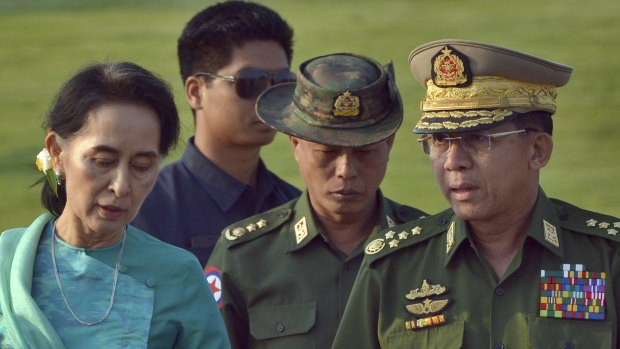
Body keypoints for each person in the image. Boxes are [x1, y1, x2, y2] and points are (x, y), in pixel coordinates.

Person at [332, 39, 620, 348]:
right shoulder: (391, 267)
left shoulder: (607, 258)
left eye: (477, 138)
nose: (454, 162)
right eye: (441, 140)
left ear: (537, 151)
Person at [205, 53, 428, 348]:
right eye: (327, 153)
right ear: (296, 145)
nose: (346, 171)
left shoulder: (429, 249)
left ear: (388, 144)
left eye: (365, 152)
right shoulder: (243, 257)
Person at [0, 62, 230, 348]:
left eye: (142, 166)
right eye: (103, 162)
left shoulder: (178, 275)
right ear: (57, 152)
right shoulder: (7, 264)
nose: (121, 185)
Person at [132, 0, 301, 267]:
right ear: (196, 92)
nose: (269, 98)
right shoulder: (141, 210)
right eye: (251, 82)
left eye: (281, 83)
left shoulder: (297, 207)